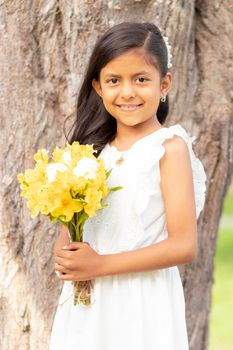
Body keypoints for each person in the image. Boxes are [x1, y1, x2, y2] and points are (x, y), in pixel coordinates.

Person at [49, 22, 207, 350]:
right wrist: (67, 255)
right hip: (88, 306)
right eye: (114, 81)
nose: (127, 92)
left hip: (141, 303)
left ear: (164, 84)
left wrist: (100, 265)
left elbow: (184, 245)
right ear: (98, 87)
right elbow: (70, 233)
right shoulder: (88, 152)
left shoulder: (168, 147)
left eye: (141, 79)